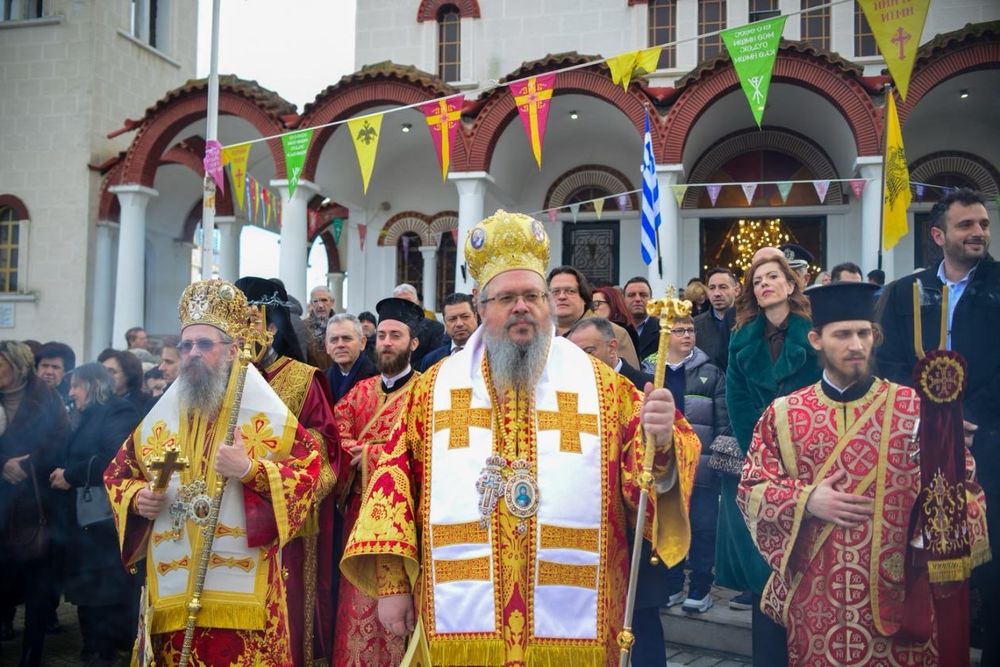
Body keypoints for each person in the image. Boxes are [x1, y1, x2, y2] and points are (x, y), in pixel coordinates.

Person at [340, 210, 701, 665]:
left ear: (548, 303)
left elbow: (647, 478)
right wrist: (393, 586)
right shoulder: (434, 390)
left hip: (579, 610)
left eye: (533, 295)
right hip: (460, 605)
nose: (521, 307)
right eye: (506, 297)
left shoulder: (603, 388)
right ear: (481, 306)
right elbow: (392, 483)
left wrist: (663, 438)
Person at [738, 281, 990, 665]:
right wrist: (807, 500)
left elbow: (966, 486)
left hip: (898, 597)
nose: (855, 345)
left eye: (863, 333)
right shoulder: (784, 413)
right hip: (814, 599)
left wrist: (934, 529)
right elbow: (752, 488)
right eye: (842, 335)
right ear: (816, 340)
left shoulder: (917, 408)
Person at [103, 279, 322, 666]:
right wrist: (138, 497)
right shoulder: (164, 414)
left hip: (244, 598)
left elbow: (310, 473)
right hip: (171, 588)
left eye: (204, 345)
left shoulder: (263, 411)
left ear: (233, 350)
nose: (191, 354)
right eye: (185, 346)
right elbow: (118, 475)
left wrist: (250, 469)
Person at [876, 188, 999, 663]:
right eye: (966, 225)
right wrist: (921, 417)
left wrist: (972, 419)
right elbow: (886, 360)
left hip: (987, 444)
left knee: (989, 560)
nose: (978, 233)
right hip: (918, 445)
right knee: (921, 555)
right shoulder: (906, 292)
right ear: (938, 234)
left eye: (983, 225)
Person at [235, 276, 342, 667]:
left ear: (270, 327)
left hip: (286, 520)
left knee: (285, 613)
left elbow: (326, 449)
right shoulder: (223, 378)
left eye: (245, 322)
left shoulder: (302, 379)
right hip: (230, 515)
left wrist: (267, 462)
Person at [722, 254, 820, 665]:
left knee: (812, 568)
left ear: (791, 284)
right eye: (757, 280)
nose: (764, 284)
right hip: (763, 466)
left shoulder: (814, 333)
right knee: (768, 573)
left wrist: (808, 448)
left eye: (773, 277)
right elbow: (737, 400)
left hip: (815, 457)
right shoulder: (741, 338)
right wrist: (761, 453)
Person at [331, 297, 424, 666]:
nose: (386, 342)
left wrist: (367, 454)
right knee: (356, 607)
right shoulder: (360, 392)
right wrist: (373, 451)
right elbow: (336, 437)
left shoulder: (424, 391)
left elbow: (421, 448)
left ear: (413, 343)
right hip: (359, 521)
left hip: (407, 521)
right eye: (382, 335)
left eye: (395, 336)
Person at [49, 363, 139, 666]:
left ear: (93, 384)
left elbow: (115, 460)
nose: (71, 393)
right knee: (87, 588)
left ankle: (108, 648)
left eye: (76, 386)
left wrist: (71, 475)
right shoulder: (83, 415)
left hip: (105, 523)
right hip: (83, 522)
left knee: (106, 588)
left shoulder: (117, 412)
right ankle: (94, 647)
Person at [0, 340, 70, 667]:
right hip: (2, 504)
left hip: (38, 508)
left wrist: (26, 466)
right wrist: (3, 464)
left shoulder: (45, 398)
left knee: (39, 588)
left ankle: (33, 654)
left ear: (15, 365)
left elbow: (61, 443)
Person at [658, 314, 729, 614]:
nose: (687, 335)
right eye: (679, 331)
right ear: (666, 335)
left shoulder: (711, 372)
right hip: (667, 466)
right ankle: (672, 584)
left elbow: (723, 421)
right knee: (669, 525)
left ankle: (700, 586)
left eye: (690, 330)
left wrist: (716, 460)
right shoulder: (654, 371)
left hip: (701, 466)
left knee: (702, 528)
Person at [548, 265, 640, 367]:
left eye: (570, 291)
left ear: (584, 298)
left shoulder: (614, 332)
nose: (561, 297)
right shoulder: (536, 334)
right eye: (555, 292)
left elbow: (628, 380)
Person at [566, 316, 648, 389]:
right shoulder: (571, 388)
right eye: (576, 354)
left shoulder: (648, 386)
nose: (580, 361)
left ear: (612, 348)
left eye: (588, 352)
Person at [325, 314, 378, 404]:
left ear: (362, 342)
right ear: (327, 346)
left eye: (347, 338)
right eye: (334, 340)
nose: (340, 345)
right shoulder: (320, 381)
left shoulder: (378, 379)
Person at [419, 292, 479, 371]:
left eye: (465, 317)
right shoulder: (431, 361)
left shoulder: (492, 356)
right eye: (452, 319)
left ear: (475, 317)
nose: (459, 324)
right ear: (445, 322)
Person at [694, 268, 738, 369]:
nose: (717, 293)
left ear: (736, 290)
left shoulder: (748, 321)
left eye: (723, 287)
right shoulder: (695, 325)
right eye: (712, 288)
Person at [393, 283, 445, 369]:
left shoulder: (434, 328)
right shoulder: (388, 328)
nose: (405, 305)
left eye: (408, 301)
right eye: (400, 302)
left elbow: (433, 359)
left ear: (417, 303)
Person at [97, 348, 149, 416]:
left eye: (111, 371)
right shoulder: (96, 401)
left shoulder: (142, 405)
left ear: (128, 374)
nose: (105, 375)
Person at [624, 276, 659, 362]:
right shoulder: (615, 330)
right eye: (631, 295)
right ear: (623, 300)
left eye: (643, 295)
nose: (637, 299)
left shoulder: (663, 331)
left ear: (651, 300)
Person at [304, 286, 335, 370]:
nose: (320, 305)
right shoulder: (302, 327)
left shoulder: (341, 326)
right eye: (315, 301)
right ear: (311, 304)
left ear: (332, 302)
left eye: (324, 300)